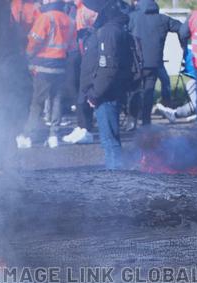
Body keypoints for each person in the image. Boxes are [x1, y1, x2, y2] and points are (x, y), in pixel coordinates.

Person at [79, 0, 132, 169]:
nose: (82, 13)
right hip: (105, 93)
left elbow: (107, 67)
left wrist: (95, 93)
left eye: (85, 9)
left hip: (106, 95)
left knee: (110, 140)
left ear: (95, 12)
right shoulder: (105, 30)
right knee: (108, 138)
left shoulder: (107, 32)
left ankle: (116, 176)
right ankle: (115, 174)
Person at [17, 2, 74, 149]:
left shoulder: (45, 18)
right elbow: (72, 46)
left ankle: (28, 135)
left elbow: (34, 41)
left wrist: (28, 56)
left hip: (43, 66)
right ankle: (53, 135)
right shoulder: (69, 20)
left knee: (37, 102)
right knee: (56, 100)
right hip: (61, 65)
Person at [127, 0, 188, 126]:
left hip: (135, 63)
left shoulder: (132, 18)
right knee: (149, 92)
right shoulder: (163, 19)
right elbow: (183, 29)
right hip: (154, 63)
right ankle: (146, 122)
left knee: (134, 91)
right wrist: (183, 44)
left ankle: (132, 121)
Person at [62, 0, 99, 144]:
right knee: (74, 90)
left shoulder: (86, 7)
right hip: (74, 52)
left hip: (81, 52)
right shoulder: (72, 7)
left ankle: (85, 128)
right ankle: (82, 125)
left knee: (81, 90)